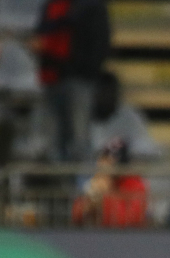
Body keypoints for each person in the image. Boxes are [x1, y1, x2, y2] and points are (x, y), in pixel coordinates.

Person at [34, 0, 111, 164]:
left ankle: (81, 184)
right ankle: (57, 184)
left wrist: (84, 71)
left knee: (79, 136)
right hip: (52, 78)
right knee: (53, 139)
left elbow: (100, 42)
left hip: (80, 80)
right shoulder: (52, 6)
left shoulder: (92, 6)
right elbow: (40, 35)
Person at [70, 137, 146, 227]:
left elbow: (130, 221)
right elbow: (76, 217)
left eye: (110, 160)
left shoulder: (135, 184)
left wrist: (105, 197)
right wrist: (89, 203)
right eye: (104, 158)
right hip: (98, 236)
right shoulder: (98, 179)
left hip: (127, 238)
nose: (103, 164)